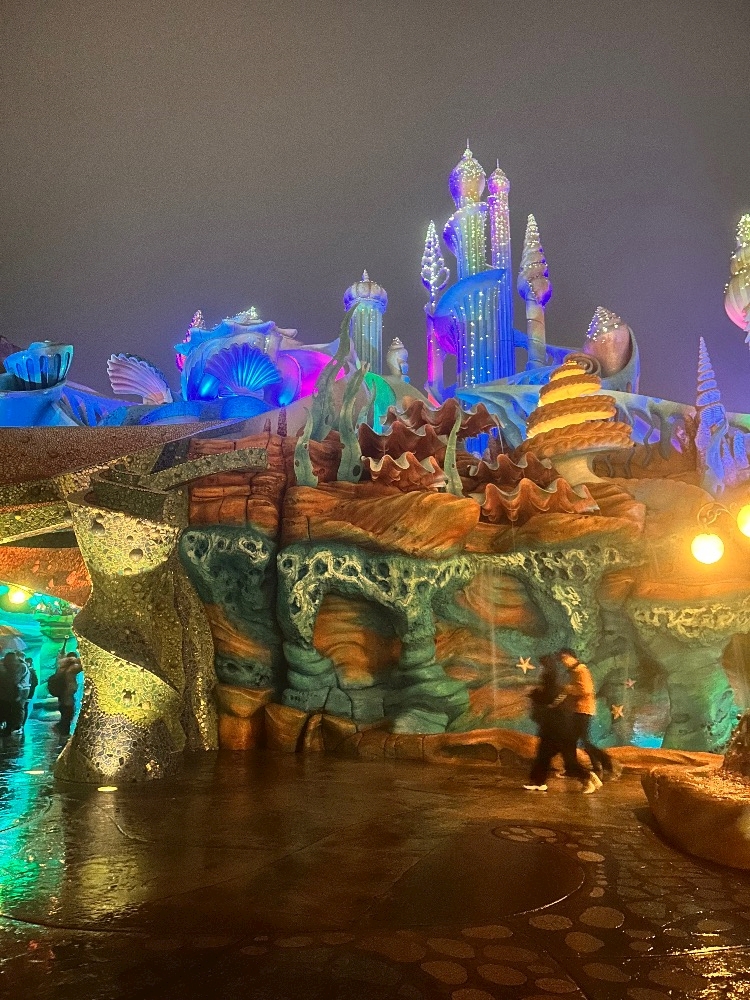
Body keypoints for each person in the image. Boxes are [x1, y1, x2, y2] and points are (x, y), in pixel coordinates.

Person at [524, 654, 601, 794]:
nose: (539, 669)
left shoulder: (551, 681)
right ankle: (539, 782)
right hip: (555, 728)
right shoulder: (552, 682)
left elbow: (548, 698)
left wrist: (534, 694)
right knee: (544, 756)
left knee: (567, 761)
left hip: (556, 730)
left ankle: (588, 777)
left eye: (541, 666)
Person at [558, 648, 618, 779]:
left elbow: (586, 689)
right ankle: (594, 765)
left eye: (565, 657)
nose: (564, 661)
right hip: (578, 710)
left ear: (573, 657)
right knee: (574, 740)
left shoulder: (581, 670)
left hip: (582, 710)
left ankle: (605, 761)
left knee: (578, 740)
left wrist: (568, 689)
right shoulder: (574, 671)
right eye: (562, 659)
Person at [47, 653, 82, 737]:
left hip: (62, 695)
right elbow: (85, 664)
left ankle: (61, 732)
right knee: (68, 715)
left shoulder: (61, 668)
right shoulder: (72, 669)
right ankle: (63, 734)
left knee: (65, 714)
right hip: (67, 695)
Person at [0, 651, 31, 736]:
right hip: (13, 692)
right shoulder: (17, 666)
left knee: (17, 709)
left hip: (18, 691)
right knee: (15, 709)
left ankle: (17, 727)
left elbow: (15, 679)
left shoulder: (20, 667)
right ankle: (12, 727)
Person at [23, 656, 38, 725]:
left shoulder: (31, 671)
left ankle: (22, 723)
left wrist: (29, 687)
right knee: (24, 707)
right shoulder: (30, 670)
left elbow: (35, 682)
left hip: (29, 693)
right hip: (28, 692)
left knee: (24, 707)